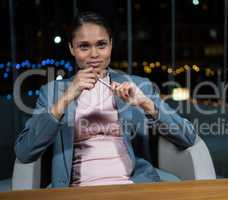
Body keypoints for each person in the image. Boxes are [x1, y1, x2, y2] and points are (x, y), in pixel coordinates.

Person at [15, 11, 196, 188]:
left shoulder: (137, 86)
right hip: (78, 190)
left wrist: (146, 104)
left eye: (101, 45)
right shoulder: (52, 92)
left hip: (132, 186)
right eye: (84, 46)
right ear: (72, 48)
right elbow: (25, 151)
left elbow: (187, 136)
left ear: (111, 45)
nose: (94, 54)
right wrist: (66, 98)